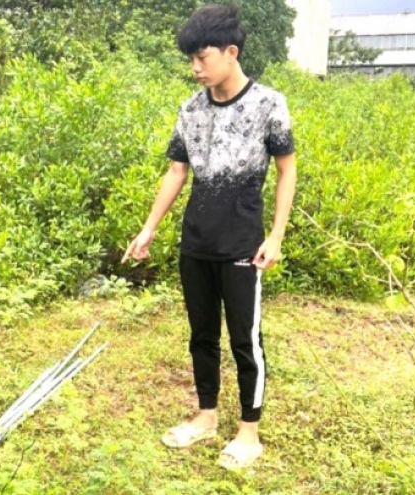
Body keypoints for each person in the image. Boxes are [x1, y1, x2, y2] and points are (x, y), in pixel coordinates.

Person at [121, 3, 297, 470]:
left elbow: (287, 171)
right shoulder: (191, 110)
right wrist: (149, 228)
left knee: (245, 340)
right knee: (201, 334)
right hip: (196, 242)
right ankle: (206, 416)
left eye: (202, 57)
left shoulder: (268, 104)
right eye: (191, 59)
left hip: (243, 245)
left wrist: (276, 236)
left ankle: (249, 432)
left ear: (230, 52)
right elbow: (176, 172)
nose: (195, 68)